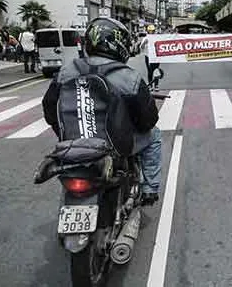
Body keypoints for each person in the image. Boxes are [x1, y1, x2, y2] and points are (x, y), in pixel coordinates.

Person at [42, 17, 162, 206]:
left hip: (73, 144)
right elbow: (148, 121)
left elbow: (50, 111)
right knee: (154, 136)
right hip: (115, 147)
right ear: (119, 44)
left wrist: (68, 134)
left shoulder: (66, 72)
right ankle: (149, 189)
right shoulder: (128, 77)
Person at [141, 24, 161, 89]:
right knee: (150, 71)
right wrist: (144, 43)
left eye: (152, 31)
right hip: (148, 57)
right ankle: (150, 85)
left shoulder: (157, 38)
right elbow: (141, 47)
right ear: (148, 31)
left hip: (156, 57)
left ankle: (156, 85)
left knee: (156, 71)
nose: (151, 32)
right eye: (150, 31)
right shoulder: (145, 38)